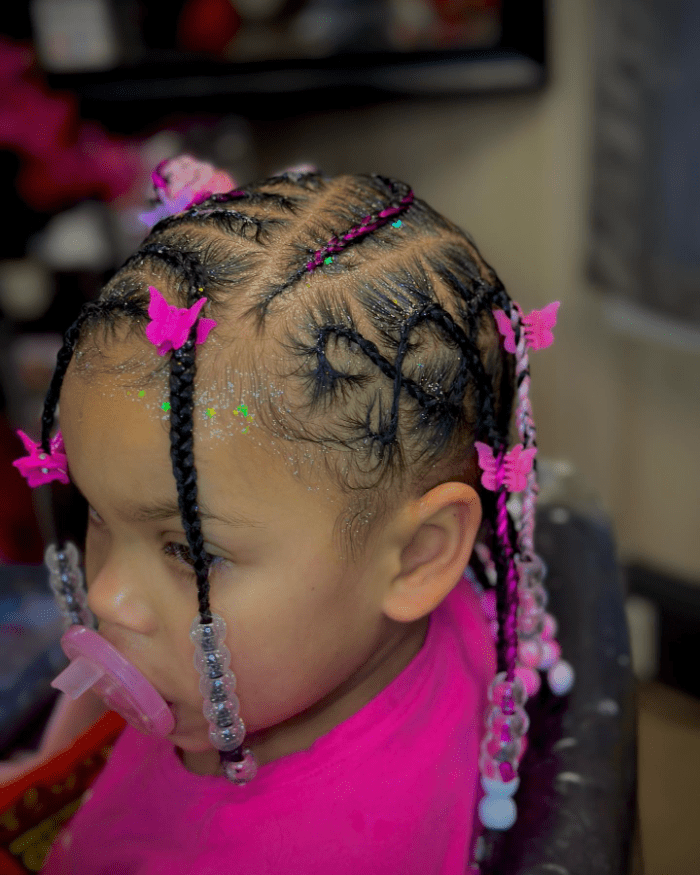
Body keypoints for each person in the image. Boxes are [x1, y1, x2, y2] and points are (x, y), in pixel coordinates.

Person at [9, 158, 572, 874]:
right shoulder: (343, 627)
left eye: (190, 552)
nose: (105, 596)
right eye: (95, 510)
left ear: (420, 555)